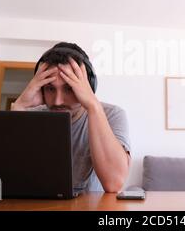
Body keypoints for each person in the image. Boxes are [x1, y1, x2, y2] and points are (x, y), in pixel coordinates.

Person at [11, 42, 130, 192]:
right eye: (50, 89)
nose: (57, 101)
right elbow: (5, 175)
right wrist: (19, 106)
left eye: (69, 88)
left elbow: (114, 183)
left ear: (88, 86)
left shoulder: (111, 115)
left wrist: (93, 105)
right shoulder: (28, 116)